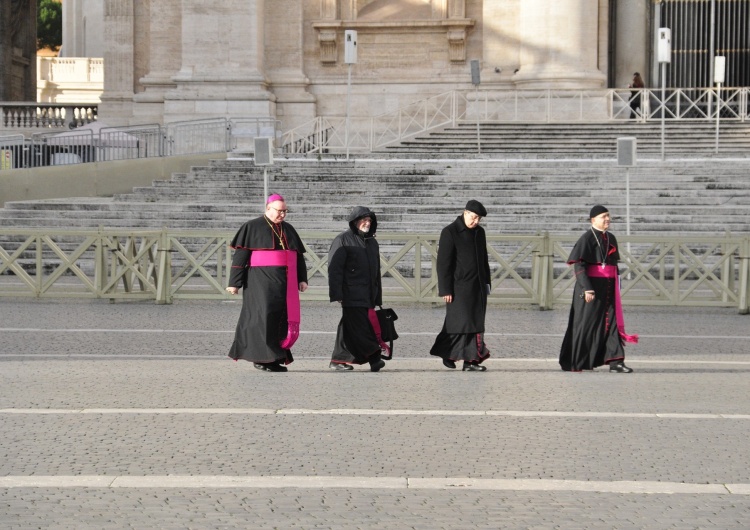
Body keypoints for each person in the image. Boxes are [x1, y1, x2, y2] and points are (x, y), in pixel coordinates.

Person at [226, 194, 309, 372]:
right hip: (260, 282)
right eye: (279, 211)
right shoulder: (252, 226)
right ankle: (262, 358)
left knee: (280, 318)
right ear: (268, 208)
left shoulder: (288, 229)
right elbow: (240, 257)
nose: (283, 215)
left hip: (284, 283)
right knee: (263, 317)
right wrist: (235, 283)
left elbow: (298, 256)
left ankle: (276, 355)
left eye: (285, 211)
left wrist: (302, 279)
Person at [559, 205, 638, 373]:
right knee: (586, 325)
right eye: (604, 216)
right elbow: (579, 265)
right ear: (593, 220)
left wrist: (617, 283)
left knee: (612, 323)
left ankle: (616, 361)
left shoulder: (611, 238)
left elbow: (613, 264)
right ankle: (576, 360)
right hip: (591, 287)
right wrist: (587, 288)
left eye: (608, 216)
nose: (607, 219)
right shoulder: (586, 238)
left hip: (608, 287)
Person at [430, 200, 491, 371]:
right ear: (465, 212)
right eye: (474, 217)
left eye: (479, 218)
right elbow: (443, 263)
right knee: (460, 323)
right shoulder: (449, 232)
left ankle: (469, 360)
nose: (476, 221)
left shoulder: (480, 232)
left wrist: (487, 282)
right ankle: (458, 356)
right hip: (459, 288)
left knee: (474, 323)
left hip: (477, 287)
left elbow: (483, 259)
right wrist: (446, 289)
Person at [327, 206, 387, 372]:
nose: (367, 223)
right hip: (351, 293)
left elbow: (376, 272)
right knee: (361, 326)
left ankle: (338, 359)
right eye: (364, 220)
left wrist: (377, 296)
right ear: (354, 221)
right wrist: (337, 293)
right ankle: (375, 357)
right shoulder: (342, 240)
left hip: (368, 293)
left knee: (349, 326)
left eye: (369, 220)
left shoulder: (372, 242)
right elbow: (335, 269)